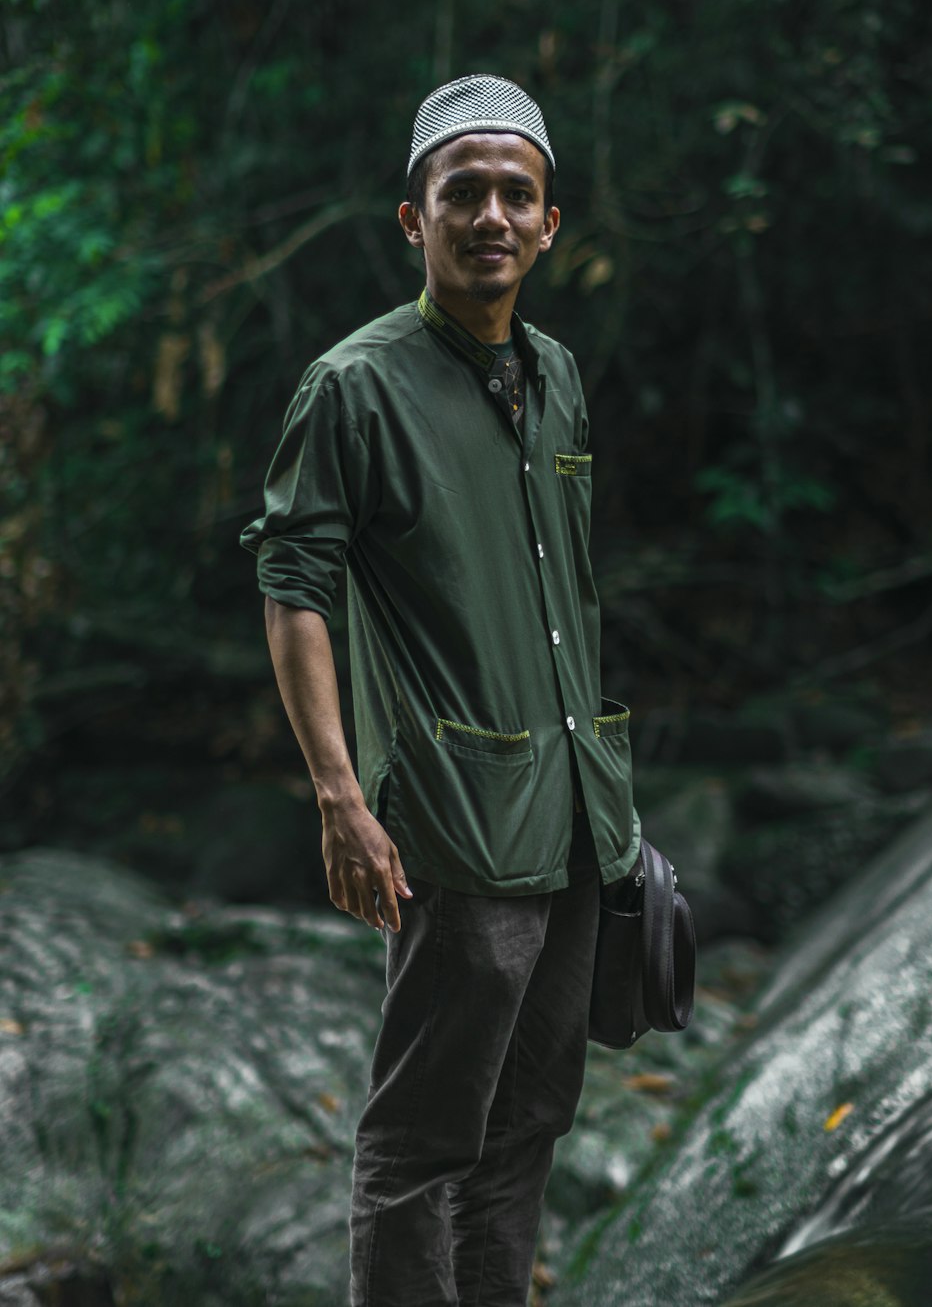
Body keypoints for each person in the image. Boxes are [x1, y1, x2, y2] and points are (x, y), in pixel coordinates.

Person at [241, 73, 639, 1307]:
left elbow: (564, 594)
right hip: (456, 832)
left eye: (517, 194)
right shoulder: (354, 387)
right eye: (462, 192)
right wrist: (337, 795)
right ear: (413, 218)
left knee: (525, 1135)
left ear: (550, 223)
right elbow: (293, 583)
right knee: (419, 1148)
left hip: (577, 818)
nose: (492, 216)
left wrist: (615, 801)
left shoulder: (559, 373)